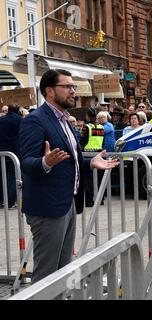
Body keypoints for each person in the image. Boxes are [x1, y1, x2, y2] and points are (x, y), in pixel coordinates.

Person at [19, 69, 118, 283]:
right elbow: (26, 162)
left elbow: (67, 159)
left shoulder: (65, 120)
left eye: (73, 86)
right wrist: (45, 162)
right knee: (46, 275)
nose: (73, 91)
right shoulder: (35, 120)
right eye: (67, 87)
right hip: (48, 207)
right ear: (49, 91)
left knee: (63, 271)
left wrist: (90, 162)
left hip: (68, 202)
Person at [80, 107, 105, 207]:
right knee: (99, 179)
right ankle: (100, 199)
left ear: (88, 116)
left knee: (88, 180)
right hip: (99, 154)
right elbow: (103, 142)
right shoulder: (101, 127)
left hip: (87, 155)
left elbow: (83, 141)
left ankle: (89, 201)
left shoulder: (87, 127)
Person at [0, 104, 22, 209]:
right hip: (15, 152)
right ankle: (9, 202)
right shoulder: (20, 120)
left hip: (2, 151)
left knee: (1, 177)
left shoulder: (1, 120)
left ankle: (1, 201)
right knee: (13, 177)